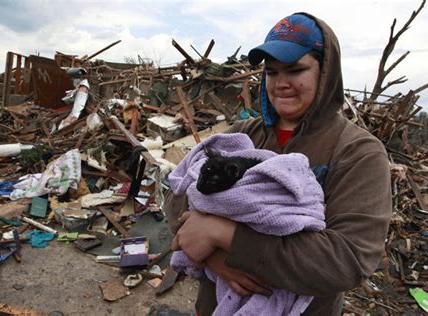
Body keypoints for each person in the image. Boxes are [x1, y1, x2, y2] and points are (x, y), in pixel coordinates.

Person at [165, 12, 392, 316]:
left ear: (325, 74)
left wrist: (225, 236)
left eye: (295, 69)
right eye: (271, 73)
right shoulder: (242, 135)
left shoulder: (357, 152)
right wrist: (213, 257)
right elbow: (177, 194)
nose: (281, 83)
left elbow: (346, 260)